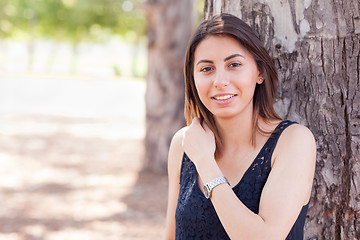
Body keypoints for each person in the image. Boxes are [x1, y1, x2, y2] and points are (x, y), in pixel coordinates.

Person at [164, 13, 316, 240]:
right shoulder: (184, 143)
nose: (220, 81)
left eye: (234, 64)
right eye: (206, 69)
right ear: (193, 79)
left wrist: (205, 162)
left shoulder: (294, 141)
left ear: (260, 72)